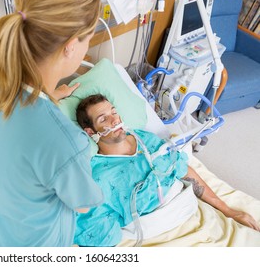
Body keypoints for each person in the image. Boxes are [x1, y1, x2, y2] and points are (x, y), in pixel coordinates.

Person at [0, 0, 104, 247]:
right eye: (89, 38)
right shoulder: (67, 144)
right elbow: (83, 204)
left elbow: (23, 130)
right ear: (70, 47)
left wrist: (51, 96)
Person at [74, 94, 260, 246]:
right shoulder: (98, 175)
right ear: (91, 132)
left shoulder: (144, 138)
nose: (115, 120)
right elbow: (97, 230)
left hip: (195, 213)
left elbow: (182, 170)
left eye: (114, 112)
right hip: (159, 237)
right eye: (103, 118)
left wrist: (228, 210)